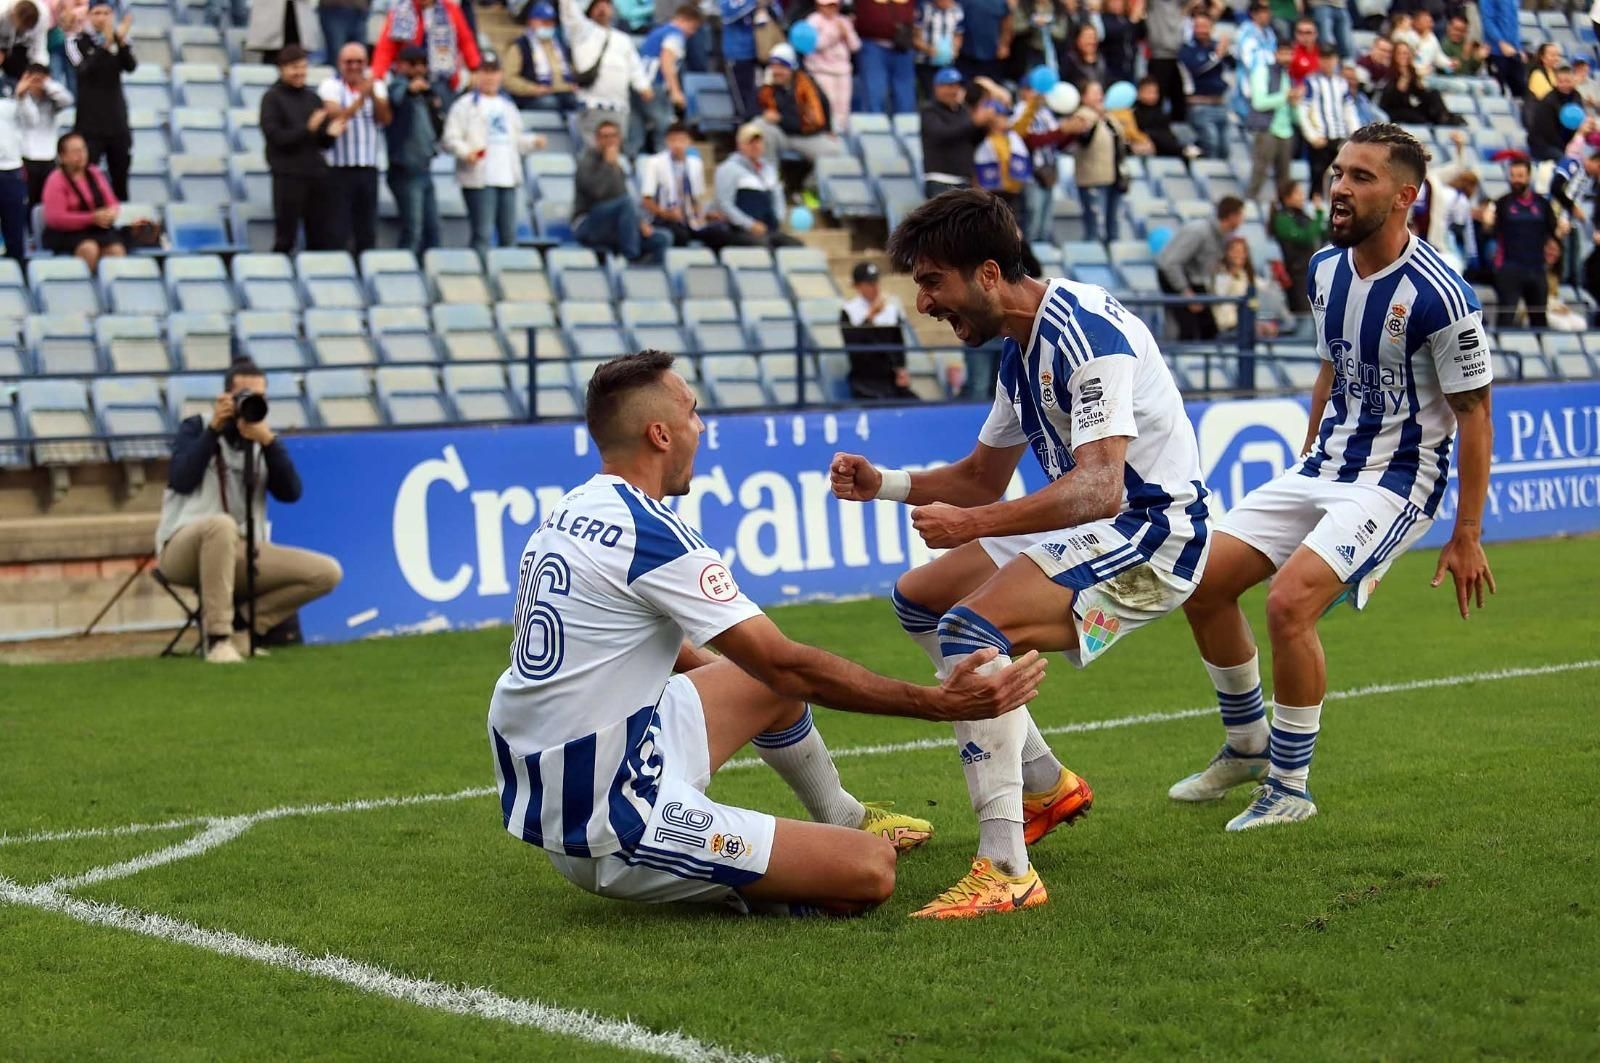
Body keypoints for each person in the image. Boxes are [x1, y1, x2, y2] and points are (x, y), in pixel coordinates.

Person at [488, 349, 1045, 914]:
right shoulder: (652, 534)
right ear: (660, 434)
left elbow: (617, 644)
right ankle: (765, 876)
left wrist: (744, 686)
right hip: (613, 820)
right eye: (692, 412)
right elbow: (788, 664)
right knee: (868, 871)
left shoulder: (569, 511)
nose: (700, 428)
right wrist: (937, 702)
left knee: (762, 679)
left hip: (563, 784)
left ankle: (844, 817)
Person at [829, 187, 1212, 917]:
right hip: (1097, 523)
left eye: (934, 281)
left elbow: (1100, 487)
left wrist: (974, 526)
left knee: (969, 629)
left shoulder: (1085, 332)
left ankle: (1006, 865)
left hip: (1154, 535)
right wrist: (887, 484)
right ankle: (1044, 781)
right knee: (921, 598)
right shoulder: (1018, 354)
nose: (924, 303)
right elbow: (980, 478)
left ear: (991, 273)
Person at [1168, 123, 1495, 830]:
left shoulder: (1445, 296)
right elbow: (1331, 367)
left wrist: (1467, 532)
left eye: (1361, 177)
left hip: (1399, 479)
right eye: (1338, 172)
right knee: (1201, 581)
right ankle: (1248, 744)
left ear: (1406, 196)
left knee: (1289, 605)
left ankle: (1290, 785)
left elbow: (1474, 414)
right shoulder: (1323, 268)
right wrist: (1310, 452)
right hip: (1324, 465)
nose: (1339, 187)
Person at [156, 358, 343, 666]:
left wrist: (269, 442)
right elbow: (180, 479)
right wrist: (214, 430)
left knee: (326, 573)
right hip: (183, 548)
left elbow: (291, 493)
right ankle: (218, 640)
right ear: (226, 397)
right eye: (244, 395)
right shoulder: (196, 427)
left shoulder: (262, 440)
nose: (251, 402)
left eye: (258, 396)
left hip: (241, 550)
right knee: (220, 525)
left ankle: (243, 624)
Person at [441, 57, 545, 262]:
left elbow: (515, 139)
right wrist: (466, 152)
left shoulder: (507, 106)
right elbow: (451, 138)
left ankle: (507, 275)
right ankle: (480, 275)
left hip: (506, 176)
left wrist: (533, 141)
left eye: (494, 72)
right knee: (483, 233)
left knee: (508, 234)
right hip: (480, 177)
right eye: (485, 71)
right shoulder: (464, 105)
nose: (489, 77)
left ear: (500, 75)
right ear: (477, 75)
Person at [260, 44, 341, 254]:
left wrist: (330, 133)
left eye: (303, 67)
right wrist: (308, 129)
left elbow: (321, 143)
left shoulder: (312, 98)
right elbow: (276, 137)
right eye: (294, 68)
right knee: (286, 237)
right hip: (288, 176)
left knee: (321, 238)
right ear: (281, 69)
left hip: (316, 175)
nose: (300, 73)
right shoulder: (272, 98)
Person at [318, 42, 390, 255]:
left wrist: (373, 95)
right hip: (339, 168)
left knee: (366, 229)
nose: (354, 66)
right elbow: (337, 116)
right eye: (349, 62)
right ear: (340, 64)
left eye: (359, 62)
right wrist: (360, 100)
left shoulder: (376, 85)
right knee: (338, 228)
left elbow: (384, 118)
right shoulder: (330, 86)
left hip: (368, 166)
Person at [560, 0, 651, 152]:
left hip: (619, 106)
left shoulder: (623, 39)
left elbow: (635, 67)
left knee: (615, 153)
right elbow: (569, 14)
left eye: (606, 5)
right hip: (592, 104)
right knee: (592, 152)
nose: (602, 9)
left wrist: (643, 86)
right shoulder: (582, 31)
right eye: (598, 6)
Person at [574, 118, 669, 263]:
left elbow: (622, 197)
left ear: (619, 139)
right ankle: (631, 258)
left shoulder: (619, 165)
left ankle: (650, 279)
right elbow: (597, 193)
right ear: (597, 139)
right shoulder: (586, 161)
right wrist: (608, 165)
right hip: (588, 223)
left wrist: (639, 222)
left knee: (662, 238)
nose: (609, 141)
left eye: (613, 136)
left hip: (614, 227)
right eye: (605, 137)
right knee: (625, 202)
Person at [65, 0, 130, 202]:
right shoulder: (76, 41)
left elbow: (130, 65)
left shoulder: (118, 39)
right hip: (89, 125)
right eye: (97, 12)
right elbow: (84, 70)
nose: (102, 17)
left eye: (106, 13)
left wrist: (119, 41)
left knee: (120, 180)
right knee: (86, 181)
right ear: (89, 16)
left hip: (117, 123)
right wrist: (105, 45)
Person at [384, 45, 444, 257]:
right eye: (412, 64)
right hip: (405, 170)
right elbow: (397, 97)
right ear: (400, 66)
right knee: (413, 232)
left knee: (433, 231)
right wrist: (411, 89)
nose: (418, 69)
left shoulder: (427, 94)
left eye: (422, 64)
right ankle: (405, 276)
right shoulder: (396, 86)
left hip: (424, 168)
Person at [1157, 195, 1245, 340]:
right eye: (1241, 215)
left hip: (1196, 280)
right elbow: (1170, 262)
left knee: (1209, 330)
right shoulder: (1198, 231)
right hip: (1176, 277)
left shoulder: (1223, 236)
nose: (1243, 220)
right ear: (1232, 216)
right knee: (1188, 331)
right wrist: (1184, 291)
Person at [640, 120, 732, 249]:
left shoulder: (695, 164)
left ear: (689, 142)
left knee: (720, 232)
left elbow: (696, 199)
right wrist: (667, 214)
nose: (677, 145)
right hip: (663, 218)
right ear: (666, 142)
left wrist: (704, 215)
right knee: (680, 234)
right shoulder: (654, 163)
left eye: (682, 140)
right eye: (673, 140)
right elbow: (646, 201)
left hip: (689, 218)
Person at [1491, 158, 1561, 328]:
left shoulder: (1543, 204)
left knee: (1539, 321)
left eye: (1520, 176)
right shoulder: (1502, 203)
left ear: (1529, 177)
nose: (1516, 180)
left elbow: (1554, 235)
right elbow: (1491, 232)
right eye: (1513, 176)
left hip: (1536, 269)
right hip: (1509, 268)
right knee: (1506, 319)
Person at [713, 121, 800, 248]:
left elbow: (777, 196)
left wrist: (778, 218)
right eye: (750, 142)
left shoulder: (769, 169)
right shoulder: (728, 169)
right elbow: (724, 203)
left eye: (758, 142)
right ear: (740, 145)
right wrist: (750, 224)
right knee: (763, 246)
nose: (755, 146)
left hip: (769, 229)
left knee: (795, 246)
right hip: (740, 230)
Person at [40, 131, 121, 267]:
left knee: (116, 250)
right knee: (89, 249)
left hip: (97, 229)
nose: (81, 154)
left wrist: (111, 213)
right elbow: (55, 218)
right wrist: (91, 218)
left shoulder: (95, 173)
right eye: (75, 151)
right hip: (65, 233)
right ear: (63, 157)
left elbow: (112, 202)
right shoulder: (55, 180)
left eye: (83, 149)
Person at [371, 0, 479, 102]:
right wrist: (378, 74)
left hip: (442, 77)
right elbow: (386, 48)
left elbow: (466, 41)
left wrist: (474, 67)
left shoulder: (450, 10)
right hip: (409, 77)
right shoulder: (400, 12)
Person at [757, 44, 843, 170]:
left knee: (834, 152)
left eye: (782, 67)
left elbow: (823, 106)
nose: (777, 71)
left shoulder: (806, 85)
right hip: (780, 135)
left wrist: (828, 129)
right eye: (774, 67)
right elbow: (751, 112)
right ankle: (768, 180)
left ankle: (809, 187)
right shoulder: (765, 86)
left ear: (792, 69)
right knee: (760, 126)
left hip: (806, 135)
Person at [839, 261, 916, 401]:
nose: (875, 287)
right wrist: (870, 316)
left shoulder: (891, 311)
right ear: (857, 286)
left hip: (890, 379)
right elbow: (853, 347)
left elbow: (898, 344)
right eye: (869, 284)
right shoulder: (848, 311)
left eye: (876, 282)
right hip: (864, 379)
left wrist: (901, 368)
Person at [637, 4, 700, 151]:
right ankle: (666, 166)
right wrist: (675, 91)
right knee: (665, 129)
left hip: (640, 84)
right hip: (654, 85)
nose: (692, 33)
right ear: (684, 20)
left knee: (637, 131)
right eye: (693, 27)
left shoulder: (657, 32)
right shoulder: (675, 34)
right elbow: (667, 62)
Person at [1299, 43, 1359, 196]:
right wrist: (1312, 136)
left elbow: (1349, 109)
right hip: (1321, 138)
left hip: (1339, 137)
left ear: (1336, 60)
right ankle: (1317, 211)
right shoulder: (1311, 81)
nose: (1327, 62)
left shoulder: (1341, 83)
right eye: (1324, 58)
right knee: (1317, 179)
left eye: (1330, 58)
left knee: (1339, 178)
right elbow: (1303, 110)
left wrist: (1356, 135)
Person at [1067, 82, 1122, 244]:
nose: (1099, 96)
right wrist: (1092, 122)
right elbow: (1083, 140)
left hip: (1114, 177)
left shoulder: (1110, 117)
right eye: (1094, 92)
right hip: (1093, 179)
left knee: (1113, 225)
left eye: (1100, 91)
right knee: (1095, 226)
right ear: (1083, 97)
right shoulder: (1082, 116)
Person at [919, 67, 986, 198]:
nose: (954, 90)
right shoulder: (929, 111)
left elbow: (972, 140)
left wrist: (981, 127)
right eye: (949, 86)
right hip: (940, 181)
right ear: (937, 87)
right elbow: (943, 134)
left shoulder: (963, 111)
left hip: (964, 181)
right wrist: (973, 123)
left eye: (957, 86)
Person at [1247, 39, 1299, 203]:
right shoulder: (1263, 71)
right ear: (1275, 54)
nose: (1287, 57)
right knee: (1259, 174)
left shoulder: (1288, 76)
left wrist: (1294, 104)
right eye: (1283, 53)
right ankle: (1248, 206)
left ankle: (1284, 213)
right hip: (1267, 129)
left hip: (1286, 131)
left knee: (1285, 180)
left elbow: (1291, 108)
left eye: (1289, 53)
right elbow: (1259, 102)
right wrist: (1285, 96)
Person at [15, 62, 69, 207]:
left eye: (41, 80)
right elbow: (31, 120)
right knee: (28, 203)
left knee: (48, 202)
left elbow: (67, 100)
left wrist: (47, 84)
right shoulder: (20, 100)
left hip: (49, 159)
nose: (36, 85)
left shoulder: (52, 99)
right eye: (33, 81)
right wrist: (22, 96)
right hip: (27, 159)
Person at [1179, 14, 1230, 161]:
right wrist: (1217, 56)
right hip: (1200, 105)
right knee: (1210, 145)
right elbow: (1197, 69)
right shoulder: (1187, 49)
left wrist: (1226, 53)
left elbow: (1232, 65)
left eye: (1205, 26)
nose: (1202, 30)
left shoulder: (1216, 46)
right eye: (1198, 26)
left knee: (1224, 148)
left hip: (1220, 104)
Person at [507, 2, 575, 112]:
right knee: (550, 103)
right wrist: (533, 89)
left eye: (551, 22)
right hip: (533, 97)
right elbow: (509, 79)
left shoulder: (560, 45)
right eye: (544, 22)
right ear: (531, 22)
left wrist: (572, 84)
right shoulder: (520, 46)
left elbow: (570, 69)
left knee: (576, 102)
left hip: (563, 93)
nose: (548, 26)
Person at [803, 0, 858, 134]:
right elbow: (815, 45)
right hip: (821, 70)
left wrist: (846, 33)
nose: (830, 9)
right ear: (819, 5)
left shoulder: (843, 21)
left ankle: (843, 138)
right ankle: (828, 133)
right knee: (828, 105)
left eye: (833, 6)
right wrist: (834, 34)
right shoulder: (812, 21)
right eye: (827, 6)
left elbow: (855, 46)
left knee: (843, 107)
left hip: (843, 70)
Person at [854, 0, 917, 115]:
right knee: (874, 93)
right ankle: (873, 130)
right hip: (872, 45)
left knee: (905, 96)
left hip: (903, 46)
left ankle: (907, 130)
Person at [1271, 180, 1324, 315]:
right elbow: (1306, 236)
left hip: (1310, 272)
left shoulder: (1303, 216)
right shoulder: (1283, 219)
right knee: (1304, 313)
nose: (1302, 196)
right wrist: (1318, 214)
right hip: (1296, 274)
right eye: (1298, 193)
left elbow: (1322, 232)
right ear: (1287, 197)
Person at [1376, 42, 1459, 128]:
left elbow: (1419, 93)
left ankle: (1444, 117)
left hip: (1408, 106)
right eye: (1401, 53)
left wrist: (1419, 83)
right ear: (1395, 55)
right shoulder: (1389, 72)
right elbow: (1391, 97)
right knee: (1419, 117)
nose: (1404, 56)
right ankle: (1441, 120)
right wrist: (1404, 81)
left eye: (1406, 53)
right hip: (1394, 109)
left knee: (1433, 94)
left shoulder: (1411, 71)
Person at [1526, 65, 1584, 163]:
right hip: (1543, 144)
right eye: (1561, 81)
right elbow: (1549, 133)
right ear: (1556, 82)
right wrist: (1566, 149)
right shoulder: (1548, 101)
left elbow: (1578, 120)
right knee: (1564, 161)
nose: (1564, 84)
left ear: (1573, 81)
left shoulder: (1576, 96)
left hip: (1566, 141)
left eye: (1568, 81)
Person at [1124, 76, 1188, 158]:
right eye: (1148, 92)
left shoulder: (1161, 114)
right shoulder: (1133, 113)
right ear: (1139, 93)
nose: (1152, 96)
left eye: (1155, 92)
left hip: (1163, 150)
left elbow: (1167, 136)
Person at [1145, 0, 1185, 121]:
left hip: (1177, 56)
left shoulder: (1177, 3)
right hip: (1159, 57)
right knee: (1155, 100)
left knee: (1179, 102)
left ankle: (1177, 133)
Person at [913, 0, 963, 98]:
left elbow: (958, 34)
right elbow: (915, 37)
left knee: (948, 94)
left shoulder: (957, 10)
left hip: (947, 62)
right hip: (926, 62)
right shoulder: (924, 9)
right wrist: (928, 49)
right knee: (931, 95)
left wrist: (956, 49)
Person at [954, 0, 1008, 86]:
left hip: (992, 54)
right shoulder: (961, 2)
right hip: (965, 54)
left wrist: (1004, 45)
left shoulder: (1000, 3)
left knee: (991, 87)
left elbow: (1006, 25)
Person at [1210, 235, 1257, 334]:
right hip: (1227, 326)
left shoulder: (1247, 276)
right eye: (1234, 251)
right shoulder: (1220, 276)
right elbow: (1222, 298)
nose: (1238, 254)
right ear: (1226, 253)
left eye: (1242, 251)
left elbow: (1255, 300)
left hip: (1246, 322)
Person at [1478, 0, 1524, 99]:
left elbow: (1515, 22)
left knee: (1520, 88)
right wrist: (1501, 42)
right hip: (1496, 51)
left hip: (1513, 51)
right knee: (1498, 90)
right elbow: (1487, 21)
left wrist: (1519, 47)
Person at [0, 89, 26, 263]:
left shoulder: (13, 87)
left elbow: (33, 120)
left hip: (10, 169)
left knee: (15, 235)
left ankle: (18, 272)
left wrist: (21, 96)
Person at [1099, 0, 1145, 88]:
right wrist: (1133, 21)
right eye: (1113, 2)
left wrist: (1140, 19)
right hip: (1112, 69)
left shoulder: (1126, 18)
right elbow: (1115, 32)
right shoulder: (1104, 19)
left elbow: (1141, 34)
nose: (1117, 4)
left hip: (1131, 67)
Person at [0, 0, 50, 78]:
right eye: (22, 27)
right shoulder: (2, 9)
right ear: (13, 16)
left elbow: (39, 46)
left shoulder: (43, 15)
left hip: (22, 48)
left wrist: (39, 69)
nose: (23, 30)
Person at [1059, 22, 1105, 91]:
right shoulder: (1069, 60)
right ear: (1077, 40)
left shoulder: (1101, 59)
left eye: (1093, 37)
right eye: (1087, 37)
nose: (1091, 41)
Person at [1288, 18, 1319, 83]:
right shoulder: (1290, 53)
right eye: (1300, 33)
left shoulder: (1322, 53)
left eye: (1308, 33)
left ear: (1316, 34)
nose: (1304, 36)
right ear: (1295, 34)